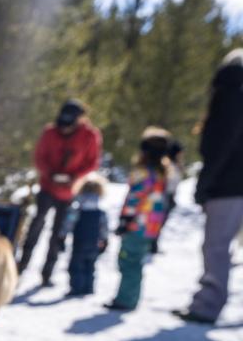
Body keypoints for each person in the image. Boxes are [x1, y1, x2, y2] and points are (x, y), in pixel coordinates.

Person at [175, 49, 243, 325]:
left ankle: (208, 304)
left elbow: (221, 144)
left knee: (216, 245)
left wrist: (206, 183)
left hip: (228, 186)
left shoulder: (230, 94)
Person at [18, 99, 103, 286]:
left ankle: (47, 273)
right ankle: (21, 265)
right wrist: (50, 174)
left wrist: (74, 177)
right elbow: (39, 157)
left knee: (59, 232)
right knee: (36, 225)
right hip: (48, 186)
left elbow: (92, 163)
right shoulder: (50, 132)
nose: (64, 130)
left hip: (70, 191)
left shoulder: (90, 136)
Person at [106, 128, 172, 311]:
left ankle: (126, 299)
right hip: (150, 226)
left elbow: (134, 198)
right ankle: (130, 298)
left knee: (129, 261)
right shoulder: (162, 174)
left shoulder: (143, 173)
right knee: (135, 262)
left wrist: (125, 220)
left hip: (137, 225)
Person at [61, 173, 108, 297]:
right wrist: (105, 239)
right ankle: (88, 287)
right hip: (94, 242)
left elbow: (69, 223)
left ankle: (76, 288)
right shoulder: (100, 212)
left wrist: (62, 235)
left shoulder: (77, 209)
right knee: (90, 266)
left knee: (76, 265)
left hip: (80, 241)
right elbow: (104, 227)